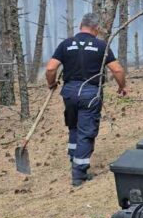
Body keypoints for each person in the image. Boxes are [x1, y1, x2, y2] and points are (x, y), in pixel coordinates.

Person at [45, 12, 128, 186]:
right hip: (90, 92)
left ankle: (73, 158)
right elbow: (117, 70)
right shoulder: (101, 46)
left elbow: (51, 68)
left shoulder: (66, 44)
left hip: (69, 92)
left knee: (73, 126)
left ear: (80, 26)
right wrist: (122, 86)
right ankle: (79, 175)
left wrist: (51, 83)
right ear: (96, 28)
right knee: (86, 131)